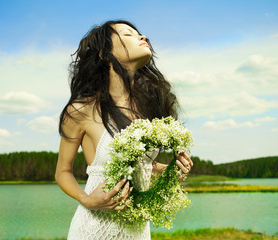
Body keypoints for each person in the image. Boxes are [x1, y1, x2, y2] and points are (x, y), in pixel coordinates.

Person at [55, 20, 193, 240]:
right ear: (104, 54)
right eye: (128, 34)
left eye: (140, 34)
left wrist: (169, 170)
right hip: (95, 228)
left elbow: (140, 163)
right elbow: (62, 172)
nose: (142, 37)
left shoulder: (151, 106)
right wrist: (86, 198)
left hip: (137, 231)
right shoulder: (81, 110)